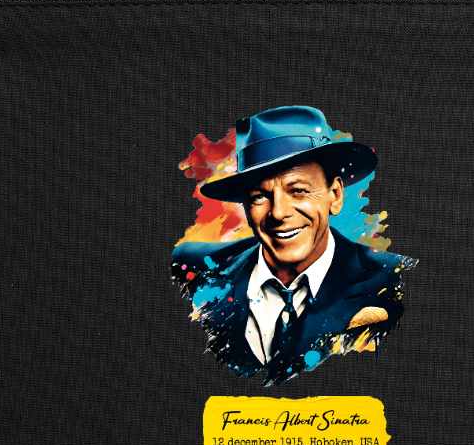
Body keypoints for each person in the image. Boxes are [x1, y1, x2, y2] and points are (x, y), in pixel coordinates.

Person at [171, 105, 416, 384]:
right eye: (260, 196)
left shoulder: (396, 282)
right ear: (246, 207)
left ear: (335, 195)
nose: (278, 213)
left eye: (298, 191)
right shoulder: (191, 269)